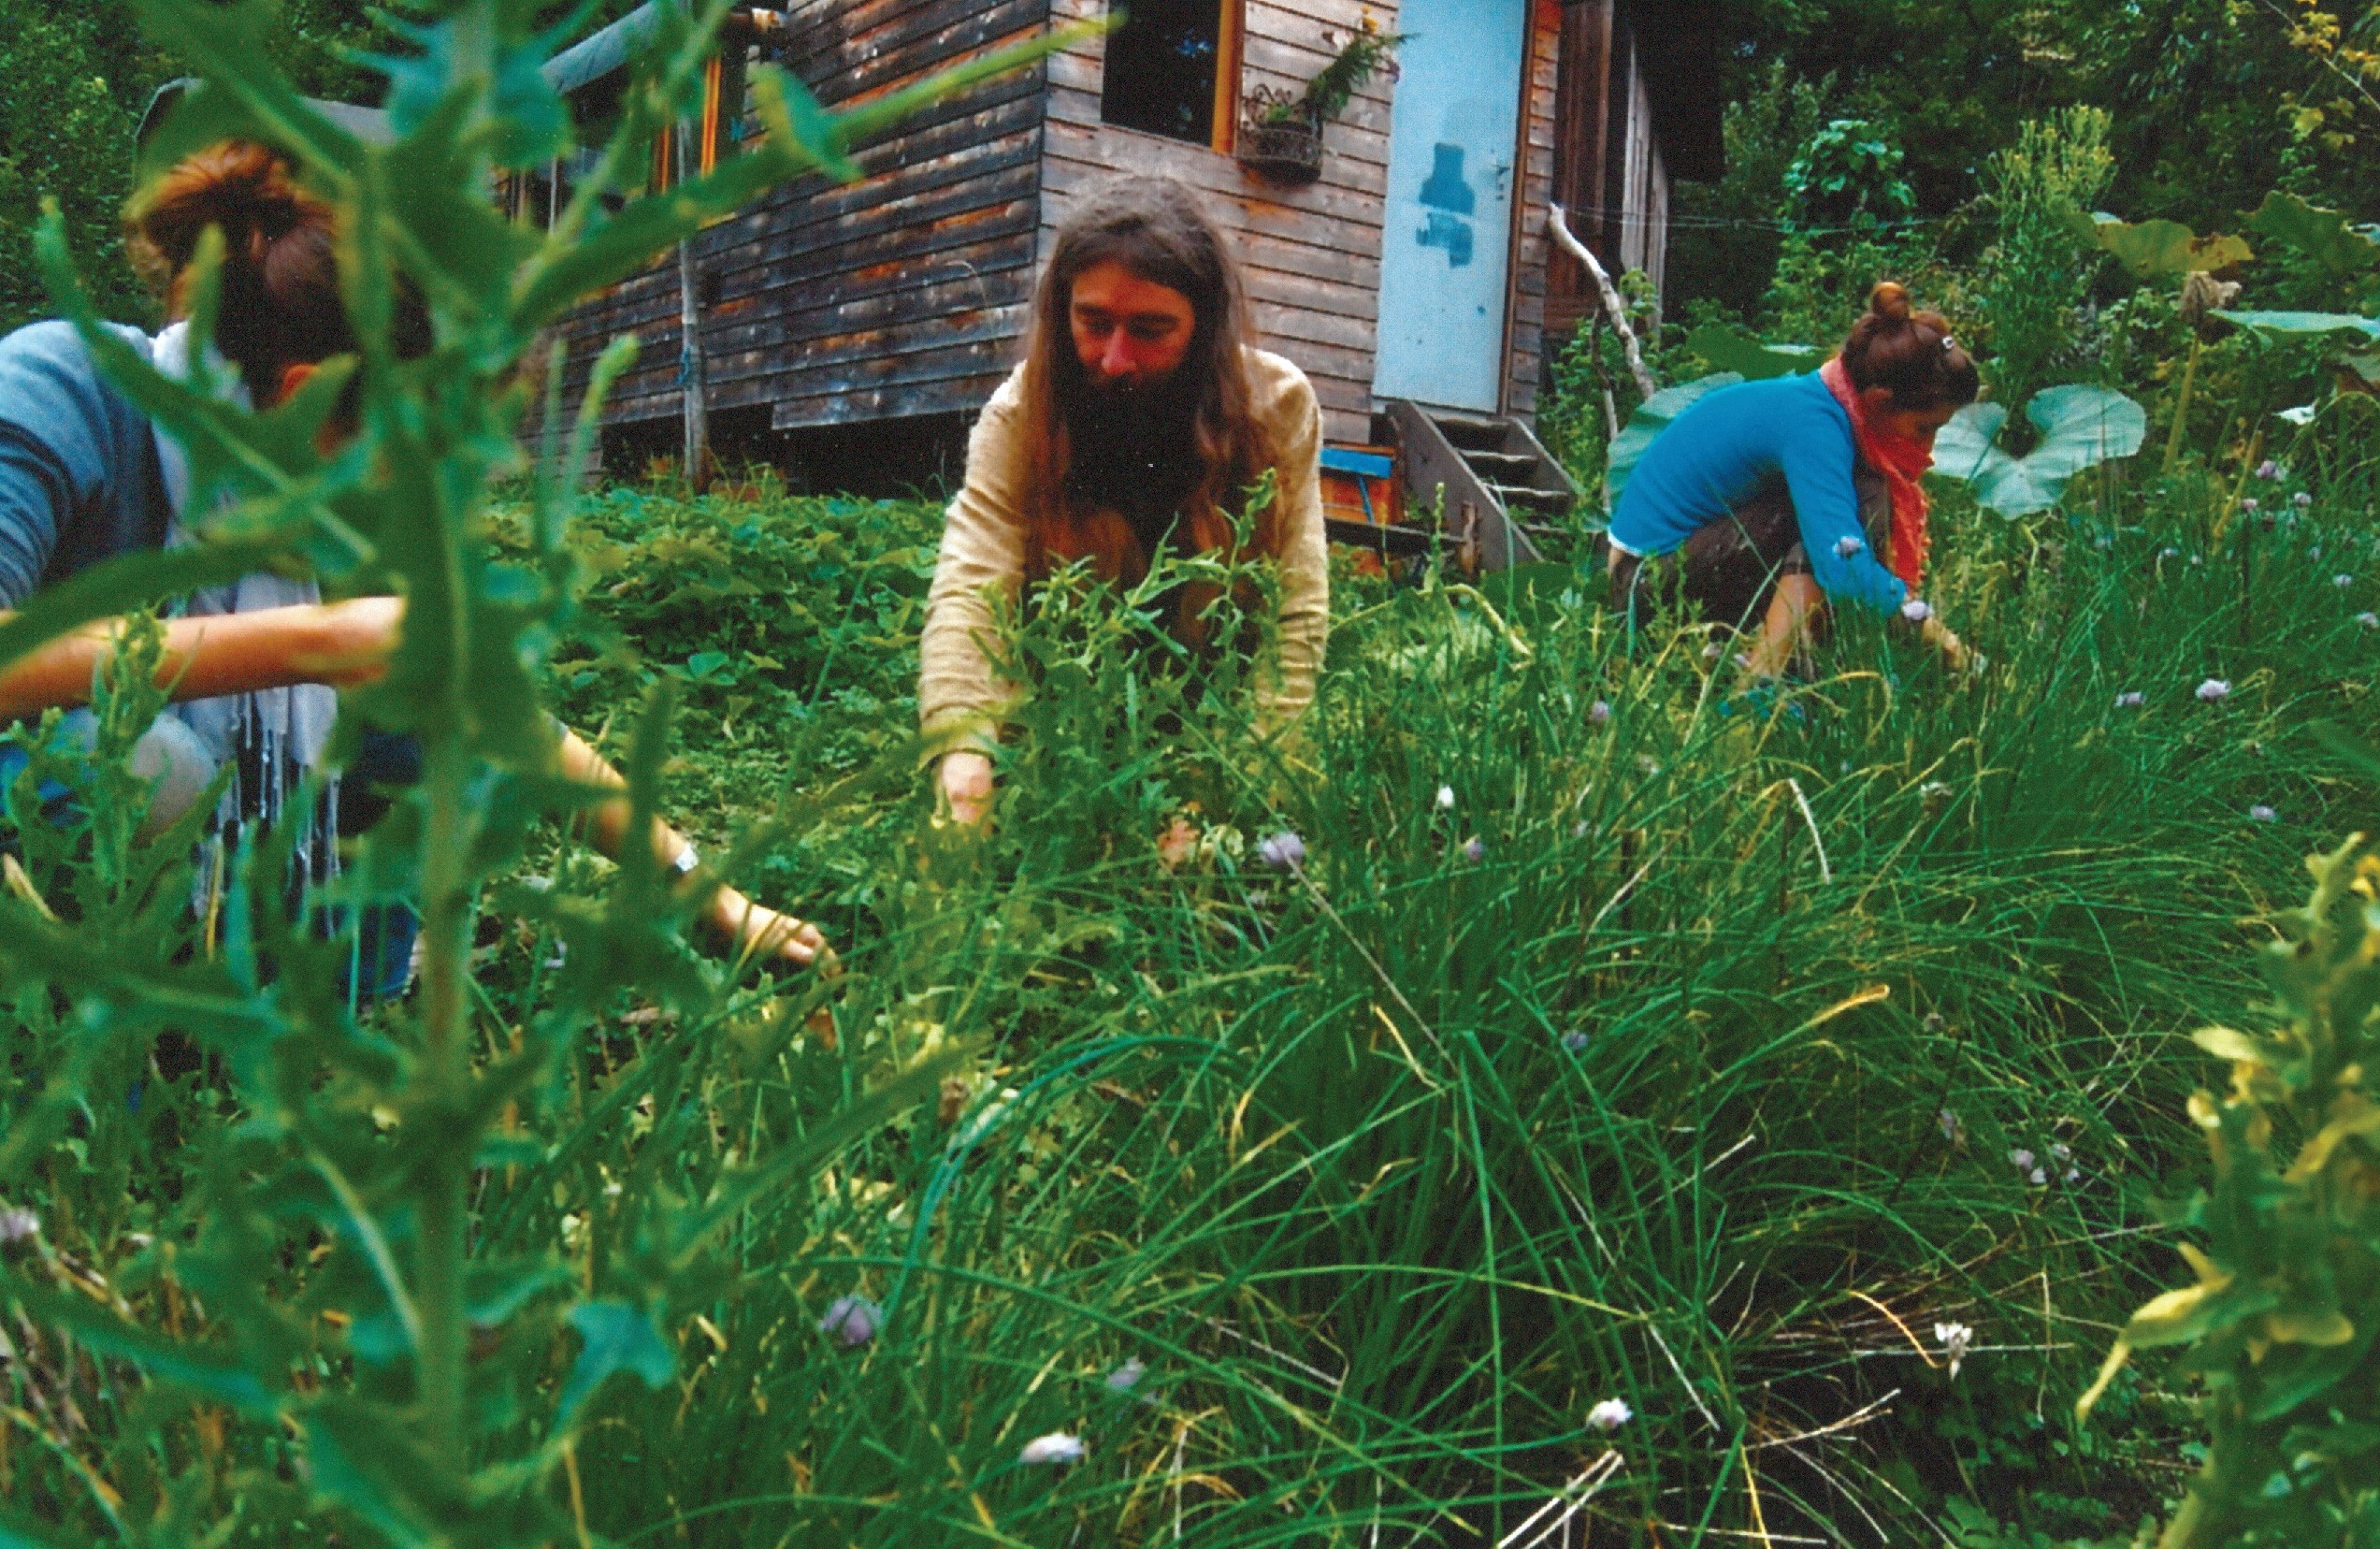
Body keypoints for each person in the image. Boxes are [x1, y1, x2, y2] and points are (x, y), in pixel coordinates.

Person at [0, 139, 828, 972]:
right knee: (151, 769)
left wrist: (707, 894)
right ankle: (84, 1011)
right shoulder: (60, 388)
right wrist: (312, 641)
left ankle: (323, 994)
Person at [918, 176, 1329, 824]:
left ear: (1204, 327)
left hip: (1213, 727)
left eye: (1150, 330)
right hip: (1057, 736)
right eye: (1094, 323)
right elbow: (971, 585)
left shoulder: (1277, 409)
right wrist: (964, 759)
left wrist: (1227, 796)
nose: (1114, 360)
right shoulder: (1021, 413)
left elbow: (1295, 613)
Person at [1606, 282, 1981, 678]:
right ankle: (1759, 686)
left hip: (1682, 560)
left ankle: (1786, 666)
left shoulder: (1821, 403)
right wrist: (1945, 641)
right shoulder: (1813, 426)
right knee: (1848, 523)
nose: (1928, 446)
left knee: (1846, 510)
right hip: (1646, 585)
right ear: (1877, 401)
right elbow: (1842, 567)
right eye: (1923, 428)